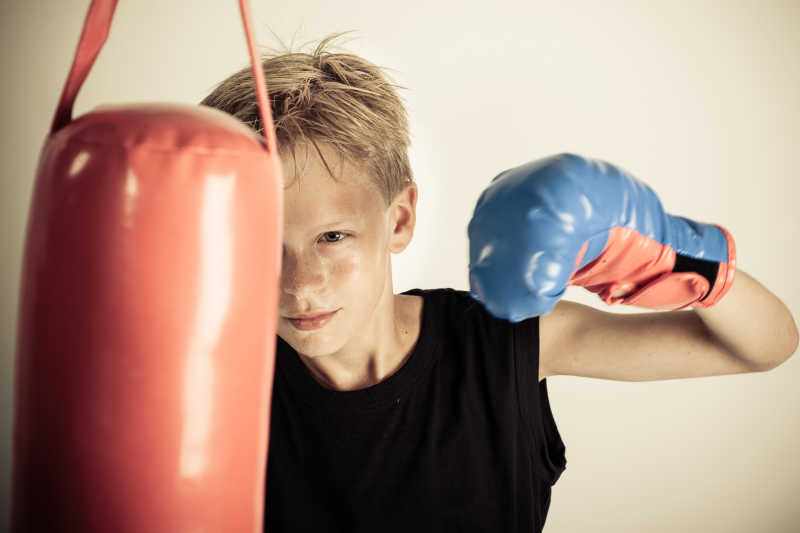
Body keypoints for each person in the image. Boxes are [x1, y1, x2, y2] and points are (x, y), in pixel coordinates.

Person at [200, 32, 798, 532]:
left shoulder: (497, 341)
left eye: (333, 237)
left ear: (399, 220)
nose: (300, 283)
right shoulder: (209, 383)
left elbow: (765, 345)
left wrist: (677, 258)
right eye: (261, 243)